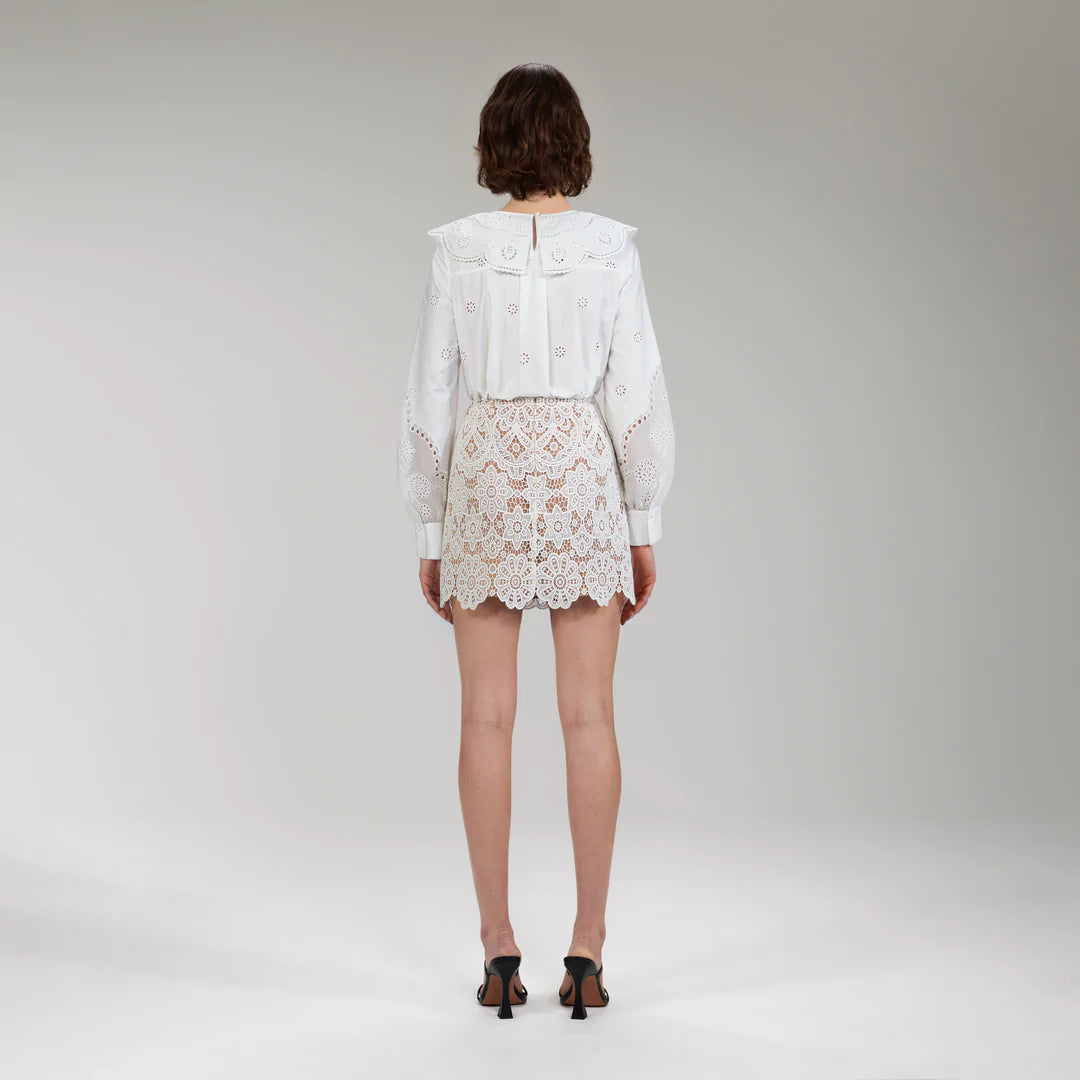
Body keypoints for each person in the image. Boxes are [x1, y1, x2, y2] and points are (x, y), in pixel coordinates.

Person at [396, 63, 676, 1020]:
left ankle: (498, 950)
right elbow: (633, 393)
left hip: (485, 465)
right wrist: (642, 523)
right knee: (589, 717)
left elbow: (433, 392)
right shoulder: (610, 248)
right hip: (578, 467)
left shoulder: (456, 248)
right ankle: (587, 951)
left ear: (494, 143)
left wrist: (431, 527)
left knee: (485, 719)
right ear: (574, 142)